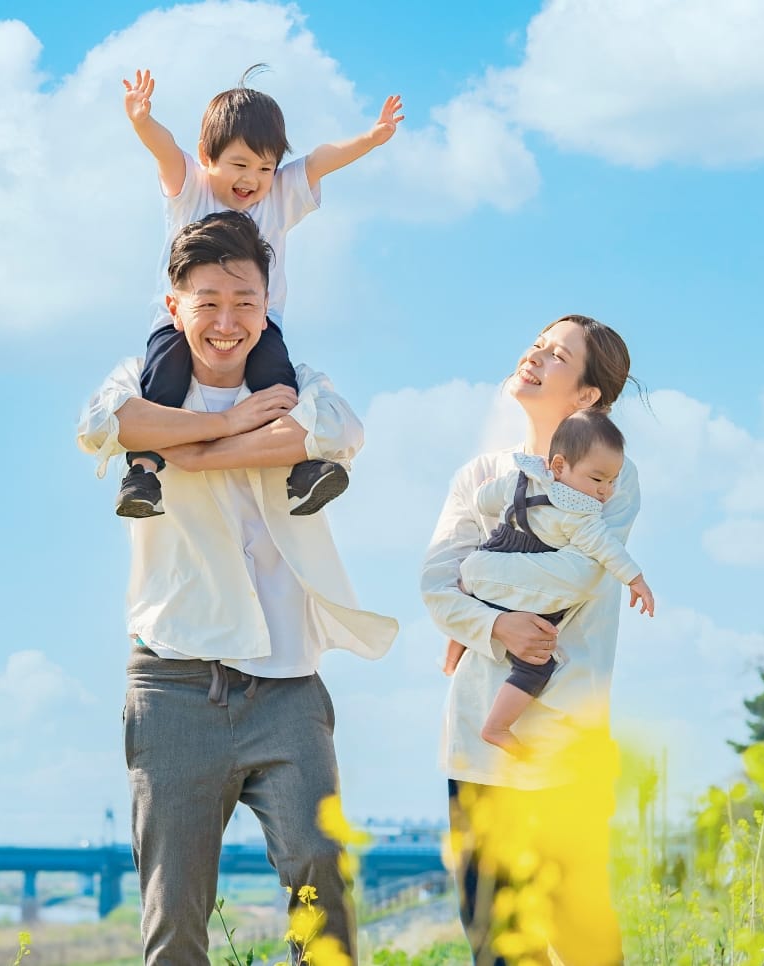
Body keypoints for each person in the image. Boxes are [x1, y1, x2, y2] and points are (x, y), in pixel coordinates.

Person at [76, 210, 398, 964]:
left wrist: (196, 452)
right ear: (174, 307)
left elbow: (335, 432)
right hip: (174, 680)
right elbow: (105, 424)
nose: (227, 323)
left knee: (320, 869)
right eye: (209, 302)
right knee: (176, 910)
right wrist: (232, 426)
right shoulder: (140, 382)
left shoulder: (297, 384)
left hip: (287, 681)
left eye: (245, 303)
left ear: (267, 305)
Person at [422, 315, 642, 965]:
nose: (535, 356)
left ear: (588, 395)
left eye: (558, 356)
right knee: (496, 946)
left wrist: (474, 591)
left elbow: (577, 575)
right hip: (476, 743)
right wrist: (493, 626)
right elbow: (434, 585)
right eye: (538, 345)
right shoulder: (481, 474)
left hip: (564, 740)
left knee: (584, 938)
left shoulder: (609, 474)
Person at [116, 64, 404, 518]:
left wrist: (370, 138)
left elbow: (321, 159)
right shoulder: (191, 189)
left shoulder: (279, 195)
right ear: (206, 156)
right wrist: (142, 122)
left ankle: (302, 469)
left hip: (261, 323)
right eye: (239, 165)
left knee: (277, 380)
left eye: (265, 167)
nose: (251, 179)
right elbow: (165, 150)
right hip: (179, 322)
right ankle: (143, 471)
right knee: (164, 378)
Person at [442, 409, 654, 758]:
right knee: (537, 663)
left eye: (612, 482)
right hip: (525, 589)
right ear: (558, 466)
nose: (605, 491)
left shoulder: (522, 479)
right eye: (597, 479)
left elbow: (486, 499)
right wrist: (635, 578)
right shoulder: (579, 515)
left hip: (495, 552)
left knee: (473, 603)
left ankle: (455, 650)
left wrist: (483, 495)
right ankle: (497, 726)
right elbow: (607, 550)